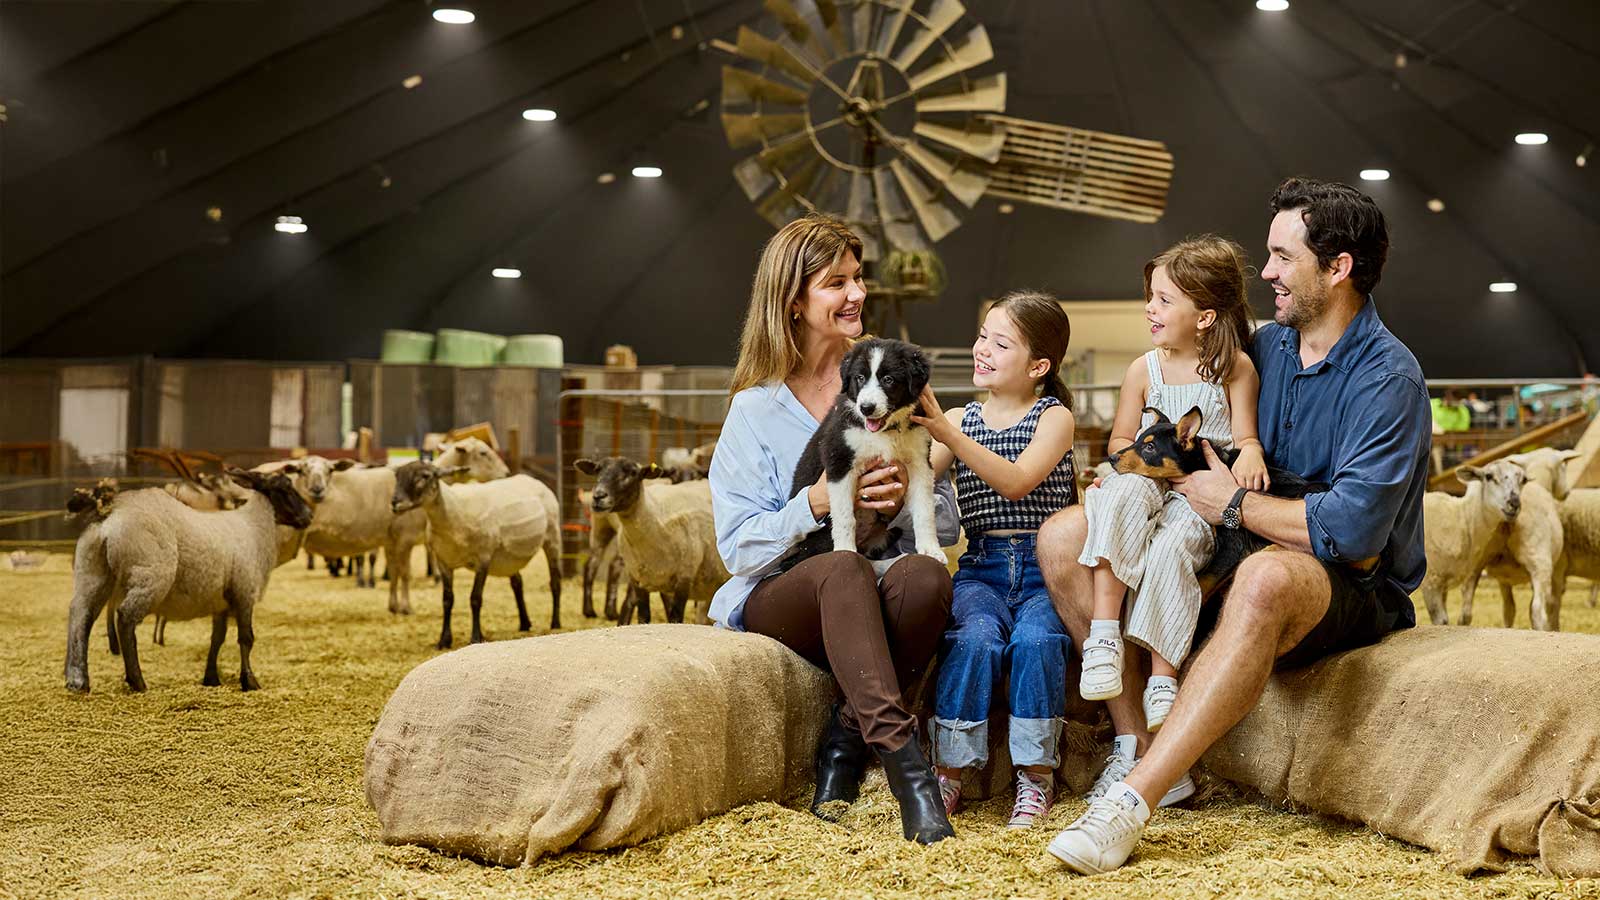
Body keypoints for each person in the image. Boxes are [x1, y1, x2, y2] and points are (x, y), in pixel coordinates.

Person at [1038, 177, 1431, 874]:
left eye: (1283, 257)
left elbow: (1352, 532)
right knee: (1065, 535)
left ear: (1338, 268)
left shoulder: (1388, 379)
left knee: (1265, 578)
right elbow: (1186, 408)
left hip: (1347, 579)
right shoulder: (1264, 349)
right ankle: (1135, 742)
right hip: (1230, 534)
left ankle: (1131, 802)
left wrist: (1231, 504)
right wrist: (1130, 471)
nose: (1268, 272)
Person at [707, 214, 960, 844]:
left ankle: (844, 743)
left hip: (873, 581)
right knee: (843, 567)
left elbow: (945, 520)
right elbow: (737, 547)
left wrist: (895, 505)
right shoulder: (754, 410)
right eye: (835, 283)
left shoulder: (892, 379)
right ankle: (910, 775)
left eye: (857, 278)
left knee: (927, 579)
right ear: (793, 301)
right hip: (787, 592)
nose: (857, 294)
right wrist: (817, 502)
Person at [1073, 236, 1266, 810]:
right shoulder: (1144, 369)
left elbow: (1246, 434)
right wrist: (1116, 469)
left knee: (1174, 546)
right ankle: (1103, 637)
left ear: (1204, 317)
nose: (1150, 309)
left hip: (1197, 492)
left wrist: (1251, 454)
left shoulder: (1234, 369)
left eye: (1163, 300)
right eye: (1150, 298)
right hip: (1149, 473)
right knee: (1121, 496)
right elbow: (1120, 439)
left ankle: (1163, 677)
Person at [909, 292, 1077, 829]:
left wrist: (949, 435)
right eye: (983, 336)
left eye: (1000, 344)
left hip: (1045, 570)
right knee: (973, 639)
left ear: (1038, 366)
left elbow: (1017, 481)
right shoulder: (961, 417)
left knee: (1037, 641)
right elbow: (915, 478)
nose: (982, 349)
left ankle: (1036, 776)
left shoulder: (1054, 418)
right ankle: (948, 772)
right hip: (980, 567)